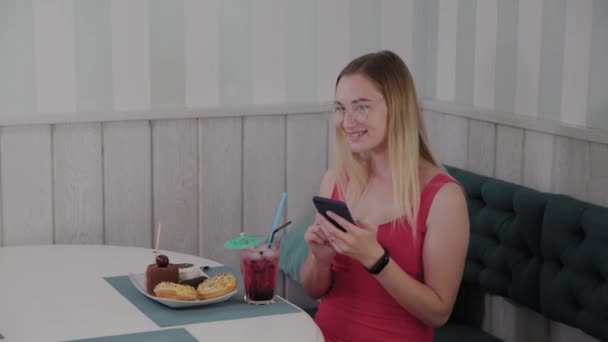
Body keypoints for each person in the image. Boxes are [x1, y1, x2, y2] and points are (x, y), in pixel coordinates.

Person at [300, 50, 470, 342]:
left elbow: (438, 312)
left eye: (361, 107)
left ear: (398, 107)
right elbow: (313, 289)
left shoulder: (444, 197)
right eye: (340, 108)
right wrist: (320, 259)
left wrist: (375, 259)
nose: (347, 121)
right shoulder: (336, 180)